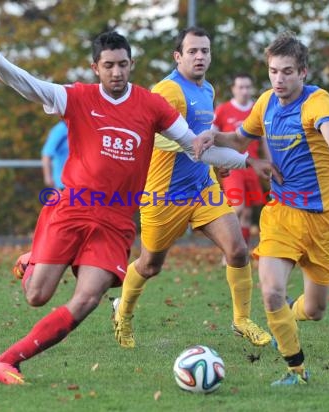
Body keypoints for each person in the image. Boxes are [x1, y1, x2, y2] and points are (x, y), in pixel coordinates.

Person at [0, 31, 267, 385]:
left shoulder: (151, 105)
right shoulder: (78, 97)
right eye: (108, 65)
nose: (116, 72)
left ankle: (6, 361)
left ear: (132, 65)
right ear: (95, 67)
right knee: (37, 295)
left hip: (115, 221)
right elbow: (30, 85)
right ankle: (32, 260)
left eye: (122, 65)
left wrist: (247, 162)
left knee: (88, 299)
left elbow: (195, 147)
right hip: (74, 209)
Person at [202, 31, 329, 386]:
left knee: (315, 310)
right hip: (281, 212)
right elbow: (240, 139)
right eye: (274, 71)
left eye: (287, 71)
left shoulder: (316, 100)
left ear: (303, 72)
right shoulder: (265, 103)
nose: (279, 79)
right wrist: (211, 137)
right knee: (271, 290)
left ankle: (290, 316)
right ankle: (296, 371)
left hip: (322, 221)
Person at [112, 27, 271, 350]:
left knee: (238, 251)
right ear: (178, 56)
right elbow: (178, 143)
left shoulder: (207, 89)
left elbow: (201, 142)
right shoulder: (168, 92)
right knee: (149, 265)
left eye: (205, 51)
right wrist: (244, 161)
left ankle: (241, 320)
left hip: (202, 188)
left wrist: (214, 163)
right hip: (163, 195)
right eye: (193, 51)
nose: (200, 57)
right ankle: (123, 313)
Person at [213, 73, 264, 250]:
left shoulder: (258, 109)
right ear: (233, 89)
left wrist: (270, 162)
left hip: (253, 166)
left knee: (248, 214)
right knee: (238, 208)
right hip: (232, 166)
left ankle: (241, 252)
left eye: (248, 87)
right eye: (240, 87)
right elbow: (212, 136)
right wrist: (217, 160)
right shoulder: (223, 110)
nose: (244, 91)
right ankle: (228, 250)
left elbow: (265, 140)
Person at [41, 120, 69, 190]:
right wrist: (48, 177)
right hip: (62, 182)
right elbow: (46, 154)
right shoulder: (61, 129)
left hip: (76, 180)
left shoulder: (75, 128)